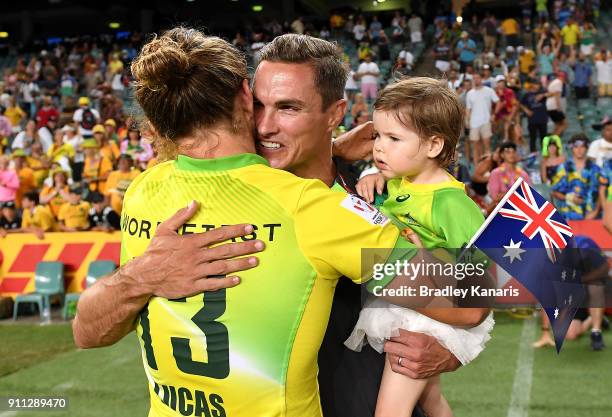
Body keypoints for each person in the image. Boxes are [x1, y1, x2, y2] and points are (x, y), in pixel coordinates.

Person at [73, 31, 487, 417]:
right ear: (243, 98)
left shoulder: (381, 190)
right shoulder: (315, 207)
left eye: (288, 108)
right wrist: (139, 278)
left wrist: (452, 352)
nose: (267, 125)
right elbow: (464, 303)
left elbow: (471, 302)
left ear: (335, 115)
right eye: (259, 105)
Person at [347, 78, 494, 417]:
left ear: (433, 146)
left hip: (427, 317)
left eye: (393, 139)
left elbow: (476, 277)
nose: (379, 148)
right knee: (430, 402)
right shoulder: (402, 181)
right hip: (408, 303)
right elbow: (393, 200)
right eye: (378, 137)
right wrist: (374, 175)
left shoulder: (452, 205)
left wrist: (427, 257)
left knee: (390, 411)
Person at [551, 134, 602, 220]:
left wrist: (595, 212)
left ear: (586, 148)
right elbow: (554, 192)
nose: (579, 150)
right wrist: (568, 197)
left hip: (591, 216)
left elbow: (602, 192)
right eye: (576, 147)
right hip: (568, 215)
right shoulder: (563, 168)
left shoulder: (595, 169)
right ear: (571, 148)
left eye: (582, 147)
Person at [466, 73, 499, 165]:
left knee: (487, 144)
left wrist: (494, 114)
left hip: (486, 121)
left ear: (481, 79)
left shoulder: (489, 90)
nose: (476, 80)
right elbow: (468, 109)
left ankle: (489, 166)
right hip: (474, 122)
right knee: (475, 146)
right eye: (474, 78)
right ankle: (477, 167)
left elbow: (498, 101)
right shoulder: (470, 93)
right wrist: (467, 120)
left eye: (478, 78)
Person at [520, 79, 549, 152]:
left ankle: (545, 152)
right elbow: (520, 104)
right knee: (532, 138)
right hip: (532, 119)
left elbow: (552, 93)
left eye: (538, 84)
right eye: (535, 84)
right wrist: (526, 110)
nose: (536, 86)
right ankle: (533, 153)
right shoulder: (527, 94)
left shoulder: (543, 92)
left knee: (544, 137)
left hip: (542, 118)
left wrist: (542, 95)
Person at [546, 72, 568, 136]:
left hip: (549, 106)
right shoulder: (559, 82)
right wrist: (558, 107)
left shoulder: (553, 82)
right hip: (554, 106)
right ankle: (554, 139)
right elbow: (557, 96)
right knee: (565, 124)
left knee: (558, 124)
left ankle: (552, 139)